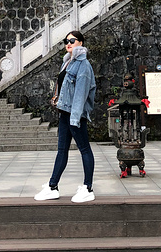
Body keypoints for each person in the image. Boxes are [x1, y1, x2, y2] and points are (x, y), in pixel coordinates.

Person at [34, 30, 96, 203]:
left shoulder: (83, 65)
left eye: (72, 40)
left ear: (81, 43)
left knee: (84, 149)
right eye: (66, 40)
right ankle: (53, 186)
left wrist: (75, 118)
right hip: (64, 113)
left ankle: (88, 187)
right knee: (62, 150)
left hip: (74, 114)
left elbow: (80, 94)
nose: (68, 43)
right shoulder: (68, 62)